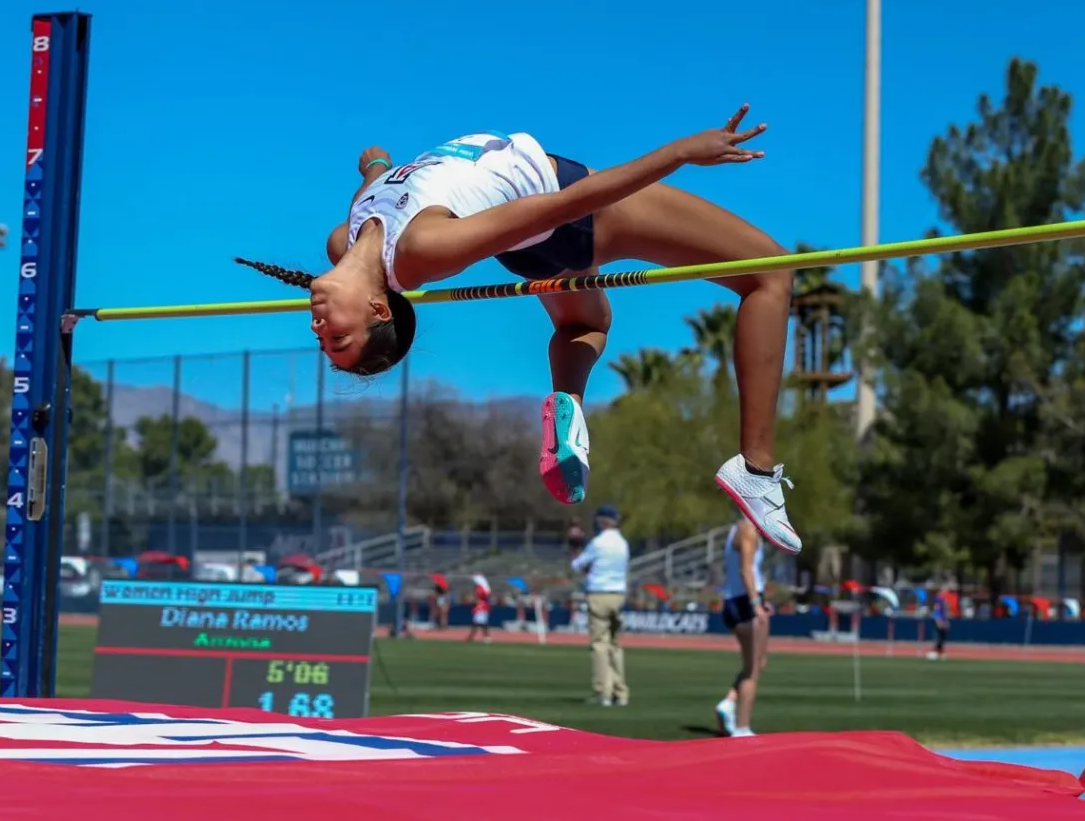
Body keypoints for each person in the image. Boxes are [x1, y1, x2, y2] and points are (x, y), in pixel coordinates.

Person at [236, 110, 800, 554]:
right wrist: (679, 153)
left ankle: (569, 406)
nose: (317, 328)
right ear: (379, 311)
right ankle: (754, 469)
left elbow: (381, 184)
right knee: (771, 273)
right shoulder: (422, 250)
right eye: (338, 339)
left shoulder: (346, 240)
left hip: (532, 246)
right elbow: (566, 203)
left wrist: (375, 164)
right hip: (570, 214)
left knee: (587, 322)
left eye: (324, 339)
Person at [714, 518, 770, 738]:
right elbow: (746, 570)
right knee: (751, 670)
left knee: (758, 662)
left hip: (738, 598)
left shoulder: (737, 527)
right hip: (743, 602)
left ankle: (729, 702)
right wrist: (756, 604)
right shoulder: (748, 529)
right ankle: (742, 727)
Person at [571, 505, 630, 706]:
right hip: (618, 594)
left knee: (599, 644)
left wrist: (575, 546)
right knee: (615, 644)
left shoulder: (598, 543)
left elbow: (577, 565)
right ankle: (620, 692)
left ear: (602, 521)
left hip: (599, 593)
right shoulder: (623, 543)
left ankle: (603, 692)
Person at [927, 586, 950, 661]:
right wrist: (938, 620)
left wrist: (946, 621)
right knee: (937, 637)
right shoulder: (938, 599)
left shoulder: (944, 599)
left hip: (943, 620)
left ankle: (940, 652)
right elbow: (936, 611)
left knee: (942, 638)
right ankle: (934, 652)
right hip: (938, 620)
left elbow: (945, 612)